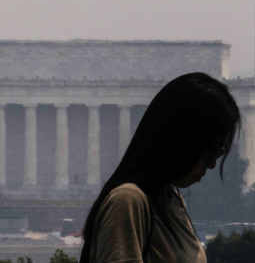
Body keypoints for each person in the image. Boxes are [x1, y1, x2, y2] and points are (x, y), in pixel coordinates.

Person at [78, 72, 240, 263]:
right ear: (183, 141)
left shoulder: (171, 199)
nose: (212, 165)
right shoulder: (128, 202)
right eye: (210, 152)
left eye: (218, 154)